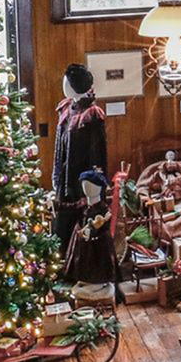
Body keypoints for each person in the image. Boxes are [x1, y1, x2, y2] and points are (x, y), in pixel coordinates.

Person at [53, 62, 108, 249]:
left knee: (82, 228)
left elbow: (97, 152)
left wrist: (95, 184)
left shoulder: (92, 115)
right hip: (64, 178)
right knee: (62, 226)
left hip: (83, 182)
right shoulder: (65, 109)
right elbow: (59, 147)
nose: (64, 85)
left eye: (67, 82)